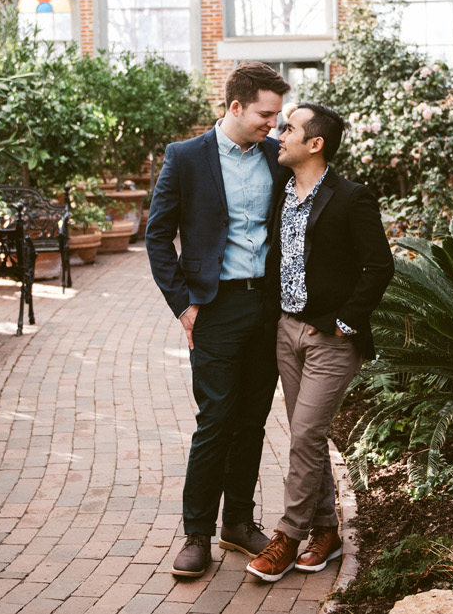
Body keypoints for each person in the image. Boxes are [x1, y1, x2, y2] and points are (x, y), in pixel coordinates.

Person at [146, 61, 293, 579]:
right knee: (215, 421)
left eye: (277, 117)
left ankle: (238, 522)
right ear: (235, 106)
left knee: (252, 420)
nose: (272, 125)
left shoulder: (278, 156)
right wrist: (183, 304)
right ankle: (195, 535)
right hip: (216, 307)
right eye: (265, 114)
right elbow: (157, 235)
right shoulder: (185, 157)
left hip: (268, 305)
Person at [246, 103, 394, 582]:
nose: (279, 134)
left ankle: (287, 537)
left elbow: (379, 266)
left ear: (316, 144)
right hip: (285, 331)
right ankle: (328, 532)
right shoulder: (281, 194)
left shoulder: (351, 198)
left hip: (329, 339)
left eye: (289, 128)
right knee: (306, 440)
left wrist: (344, 323)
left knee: (306, 435)